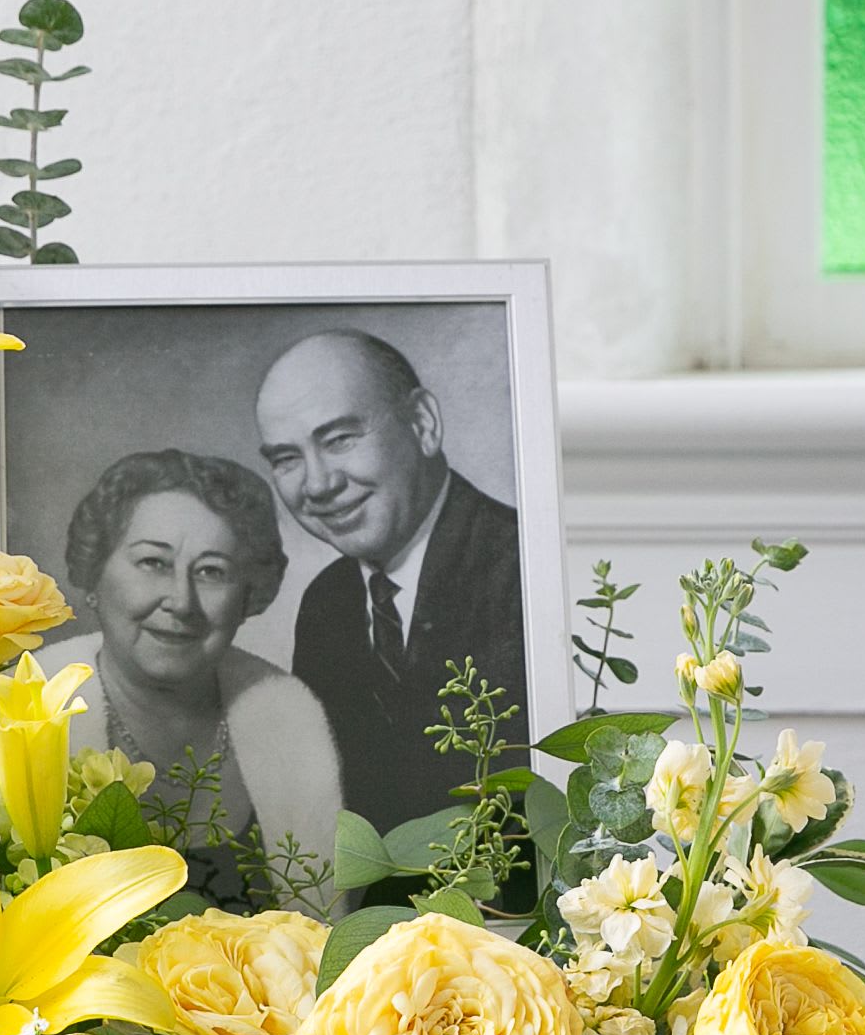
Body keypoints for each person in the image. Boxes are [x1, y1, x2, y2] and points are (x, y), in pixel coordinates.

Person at [44, 448, 343, 910]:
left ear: (247, 596)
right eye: (153, 563)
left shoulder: (291, 721)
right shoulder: (29, 714)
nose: (181, 601)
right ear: (93, 575)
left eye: (211, 572)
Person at [254, 330, 527, 832]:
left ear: (423, 424)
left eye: (339, 440)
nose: (318, 484)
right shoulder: (328, 602)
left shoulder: (521, 568)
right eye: (286, 459)